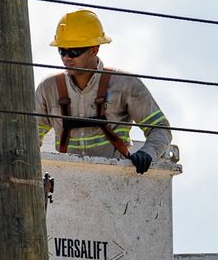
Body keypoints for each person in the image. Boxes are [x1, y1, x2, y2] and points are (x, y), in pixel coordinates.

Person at [34, 9, 172, 174]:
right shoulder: (49, 88)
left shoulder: (125, 85)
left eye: (74, 51)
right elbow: (29, 136)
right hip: (68, 180)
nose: (66, 58)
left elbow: (160, 128)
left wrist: (147, 153)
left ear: (94, 50)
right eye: (62, 51)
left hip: (115, 180)